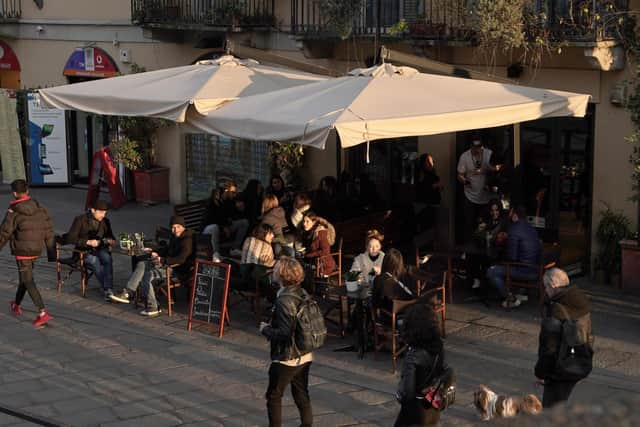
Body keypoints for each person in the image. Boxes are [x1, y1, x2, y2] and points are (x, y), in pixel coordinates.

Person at [260, 257, 313, 427]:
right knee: (301, 394)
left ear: (282, 274)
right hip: (305, 354)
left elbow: (284, 334)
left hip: (287, 357)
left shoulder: (284, 300)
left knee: (274, 396)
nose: (273, 271)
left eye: (276, 269)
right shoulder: (302, 292)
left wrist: (265, 329)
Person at [110, 215, 194, 316]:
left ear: (183, 227)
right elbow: (167, 249)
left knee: (148, 275)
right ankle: (128, 292)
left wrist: (162, 260)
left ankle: (153, 306)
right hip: (167, 264)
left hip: (177, 269)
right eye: (173, 227)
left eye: (178, 227)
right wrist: (154, 251)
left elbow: (182, 259)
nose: (175, 230)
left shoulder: (187, 240)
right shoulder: (175, 236)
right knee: (142, 264)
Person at [535, 268, 593, 408]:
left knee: (551, 410)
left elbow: (549, 349)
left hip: (560, 369)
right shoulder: (580, 301)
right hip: (579, 360)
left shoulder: (555, 311)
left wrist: (541, 372)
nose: (546, 291)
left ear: (553, 285)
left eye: (546, 286)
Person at [2, 180, 56, 327]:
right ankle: (16, 304)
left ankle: (42, 312)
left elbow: (4, 232)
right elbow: (49, 230)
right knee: (25, 278)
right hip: (36, 249)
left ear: (14, 193)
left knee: (28, 280)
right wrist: (52, 253)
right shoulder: (40, 207)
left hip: (22, 250)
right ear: (28, 191)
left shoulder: (13, 210)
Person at [395, 304, 445, 427]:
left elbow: (407, 393)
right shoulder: (438, 347)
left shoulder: (412, 357)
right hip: (432, 409)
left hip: (414, 414)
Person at [486, 205, 541, 308]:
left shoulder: (514, 229)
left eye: (510, 213)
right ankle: (514, 293)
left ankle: (511, 299)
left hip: (523, 270)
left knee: (491, 271)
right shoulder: (531, 228)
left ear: (515, 215)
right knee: (500, 266)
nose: (509, 215)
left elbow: (512, 257)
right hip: (534, 268)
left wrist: (505, 242)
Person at [65, 199, 116, 301]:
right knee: (94, 261)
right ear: (93, 210)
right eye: (101, 212)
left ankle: (108, 289)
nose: (103, 215)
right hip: (83, 252)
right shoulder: (80, 220)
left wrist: (111, 240)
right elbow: (70, 238)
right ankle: (108, 290)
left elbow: (110, 236)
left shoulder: (105, 221)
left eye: (105, 213)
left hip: (99, 248)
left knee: (107, 258)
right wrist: (87, 242)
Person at [457, 136, 500, 242]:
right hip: (470, 195)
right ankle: (469, 245)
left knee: (486, 222)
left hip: (486, 196)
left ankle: (484, 244)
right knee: (469, 222)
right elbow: (459, 174)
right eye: (474, 148)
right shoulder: (464, 157)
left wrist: (492, 170)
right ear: (470, 147)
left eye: (479, 147)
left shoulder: (489, 154)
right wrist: (465, 181)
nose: (477, 150)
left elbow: (499, 166)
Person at [201, 181, 249, 261]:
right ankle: (216, 254)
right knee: (215, 227)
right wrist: (223, 227)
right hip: (208, 228)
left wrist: (240, 210)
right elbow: (210, 219)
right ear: (226, 190)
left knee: (244, 223)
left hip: (223, 227)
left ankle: (234, 248)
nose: (235, 194)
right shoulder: (214, 201)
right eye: (233, 192)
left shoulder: (229, 201)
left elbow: (230, 218)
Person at [468, 199, 508, 289]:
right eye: (492, 210)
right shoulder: (489, 221)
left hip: (498, 251)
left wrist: (498, 236)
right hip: (487, 248)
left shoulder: (503, 221)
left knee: (482, 258)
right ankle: (476, 280)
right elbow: (478, 234)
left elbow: (502, 237)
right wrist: (480, 229)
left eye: (496, 210)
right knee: (471, 255)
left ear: (500, 210)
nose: (494, 213)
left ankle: (481, 281)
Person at [372, 249, 418, 315]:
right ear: (400, 262)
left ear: (385, 262)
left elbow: (375, 302)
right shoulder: (405, 276)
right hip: (410, 314)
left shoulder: (380, 279)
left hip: (391, 318)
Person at [300, 211, 336, 277]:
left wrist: (308, 255)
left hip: (324, 264)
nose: (304, 224)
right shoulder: (311, 232)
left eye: (307, 221)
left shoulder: (321, 233)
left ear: (313, 222)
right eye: (303, 221)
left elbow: (325, 251)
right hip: (315, 262)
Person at [415, 153, 442, 232]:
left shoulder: (433, 174)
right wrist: (433, 186)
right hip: (426, 206)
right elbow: (421, 189)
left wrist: (438, 186)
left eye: (432, 161)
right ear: (423, 163)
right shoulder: (421, 174)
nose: (431, 163)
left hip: (434, 204)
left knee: (434, 229)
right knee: (427, 230)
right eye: (428, 161)